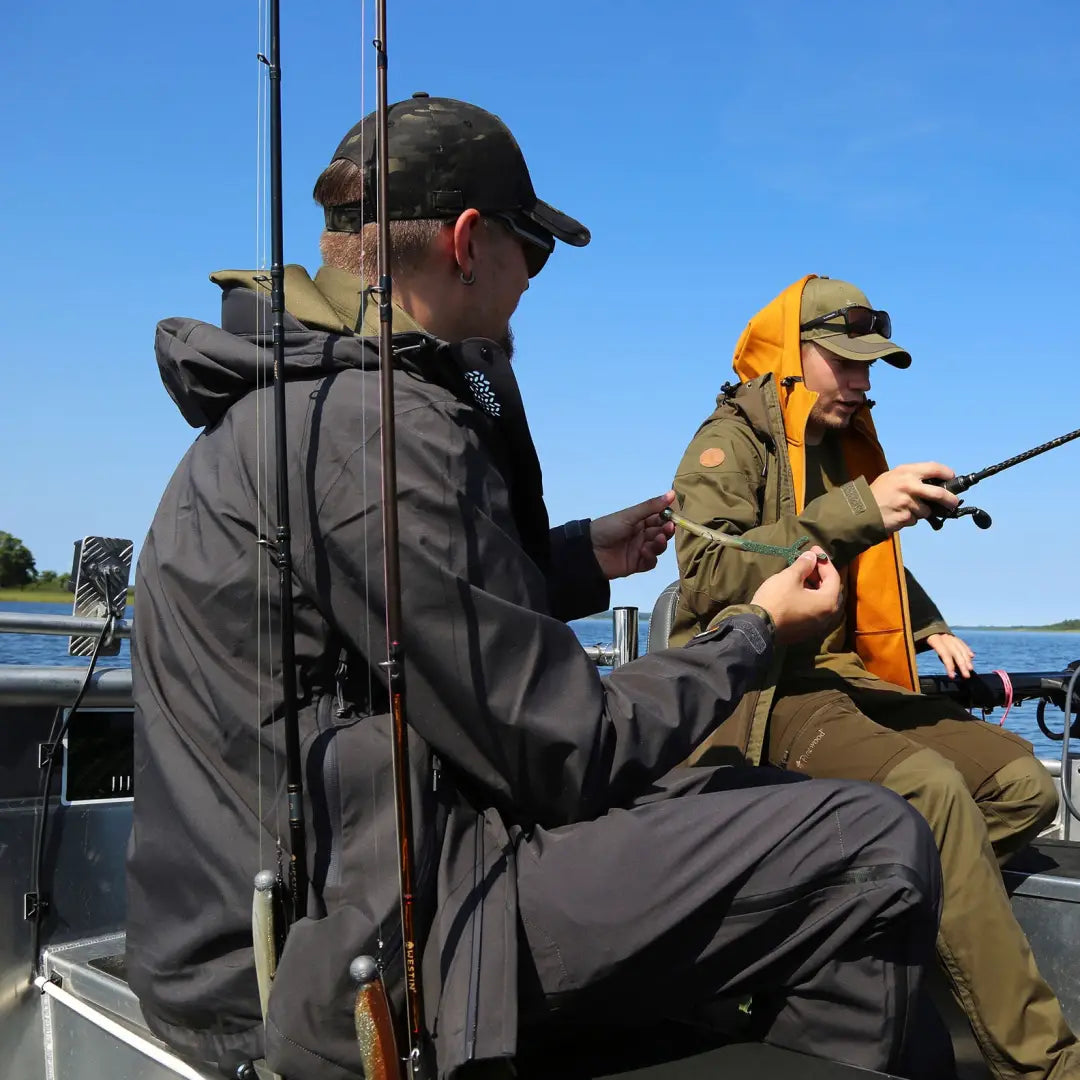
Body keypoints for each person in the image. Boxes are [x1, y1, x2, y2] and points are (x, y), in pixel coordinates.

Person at [127, 105, 942, 1080]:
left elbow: (430, 610)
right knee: (875, 846)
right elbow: (569, 748)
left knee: (759, 796)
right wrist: (756, 631)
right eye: (534, 251)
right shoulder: (377, 433)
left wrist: (584, 556)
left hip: (361, 878)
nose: (533, 278)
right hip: (363, 951)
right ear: (470, 242)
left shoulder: (315, 405)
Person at [670, 274, 1078, 1080]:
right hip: (762, 686)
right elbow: (711, 573)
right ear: (791, 357)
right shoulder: (729, 443)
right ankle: (1045, 1064)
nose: (861, 385)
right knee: (931, 791)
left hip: (849, 678)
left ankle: (837, 913)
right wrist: (862, 508)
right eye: (846, 365)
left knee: (1025, 788)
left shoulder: (833, 451)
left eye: (870, 369)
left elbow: (869, 560)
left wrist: (928, 625)